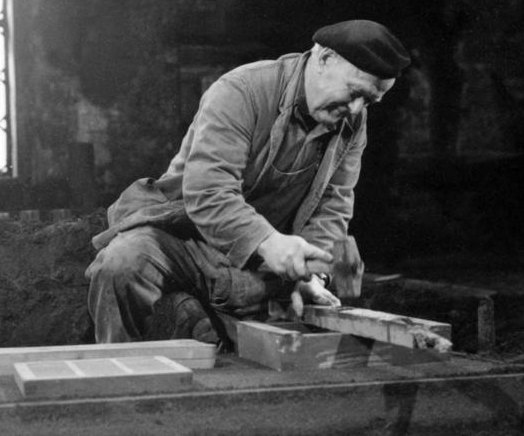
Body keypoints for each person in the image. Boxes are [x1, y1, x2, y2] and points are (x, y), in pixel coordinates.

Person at [86, 19, 410, 344]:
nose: (356, 108)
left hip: (254, 264)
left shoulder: (352, 120)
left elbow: (333, 204)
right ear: (324, 59)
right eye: (355, 93)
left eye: (369, 101)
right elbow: (208, 192)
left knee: (257, 349)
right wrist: (271, 243)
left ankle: (202, 323)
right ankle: (120, 377)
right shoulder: (242, 91)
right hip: (186, 240)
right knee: (122, 264)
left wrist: (312, 275)